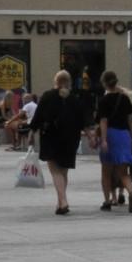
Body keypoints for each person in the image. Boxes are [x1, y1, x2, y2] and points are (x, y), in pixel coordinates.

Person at [29, 69, 87, 214]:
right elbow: (82, 119)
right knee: (63, 172)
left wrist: (32, 132)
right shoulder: (74, 98)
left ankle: (64, 200)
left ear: (56, 81)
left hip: (51, 136)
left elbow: (38, 117)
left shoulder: (48, 96)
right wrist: (90, 134)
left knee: (55, 172)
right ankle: (60, 202)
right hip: (70, 138)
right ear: (69, 82)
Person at [95, 69, 132, 213]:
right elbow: (131, 121)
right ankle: (131, 193)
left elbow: (103, 121)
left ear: (104, 83)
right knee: (123, 171)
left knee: (106, 172)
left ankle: (107, 201)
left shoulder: (103, 101)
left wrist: (104, 139)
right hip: (124, 136)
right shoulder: (125, 98)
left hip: (111, 135)